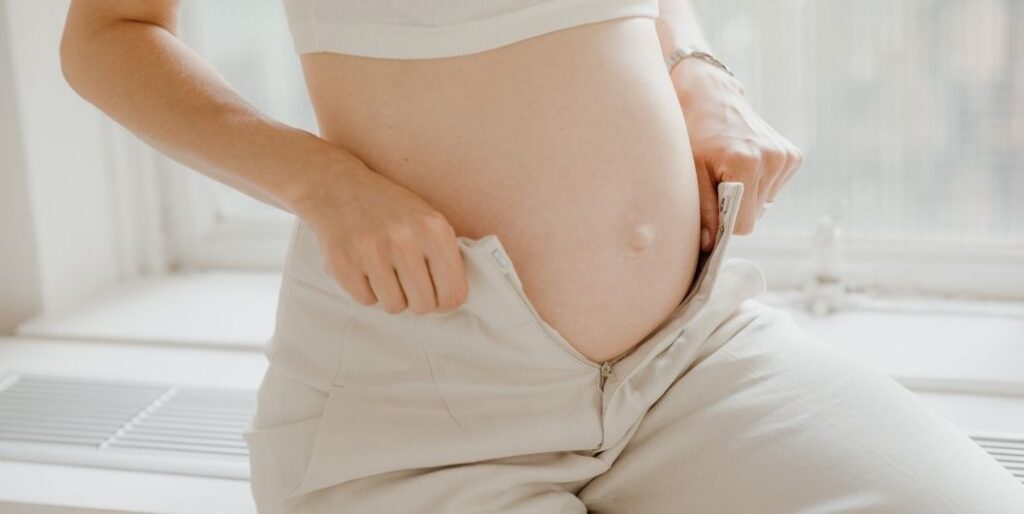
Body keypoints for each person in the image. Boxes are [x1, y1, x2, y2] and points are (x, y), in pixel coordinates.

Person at [59, 1, 1024, 513]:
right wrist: (321, 181)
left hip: (690, 356)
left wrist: (698, 73)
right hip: (423, 408)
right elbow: (107, 36)